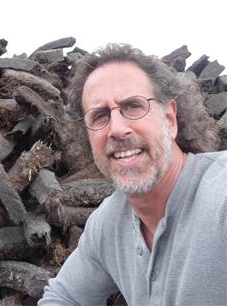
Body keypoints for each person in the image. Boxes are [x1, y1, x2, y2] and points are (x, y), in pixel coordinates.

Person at [38, 43, 227, 305]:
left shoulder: (221, 196)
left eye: (133, 106)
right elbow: (63, 297)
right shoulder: (108, 223)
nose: (116, 129)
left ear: (170, 119)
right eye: (100, 116)